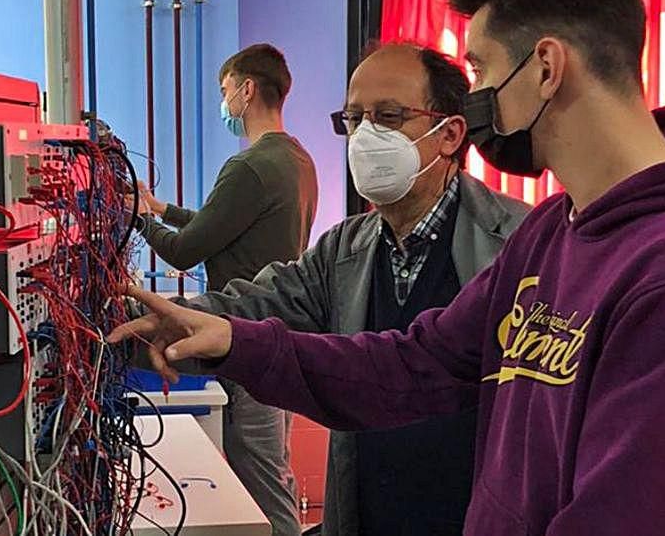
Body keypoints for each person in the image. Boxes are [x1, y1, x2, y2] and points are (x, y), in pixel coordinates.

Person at [114, 0, 665, 536]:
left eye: (479, 71)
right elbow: (412, 367)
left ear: (545, 67)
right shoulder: (555, 235)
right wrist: (233, 340)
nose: (476, 102)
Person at [149, 42, 528, 535]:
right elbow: (259, 302)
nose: (366, 136)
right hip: (368, 510)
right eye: (354, 119)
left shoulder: (519, 246)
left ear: (450, 133)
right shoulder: (345, 249)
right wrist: (165, 321)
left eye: (388, 117)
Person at [134, 43, 317, 536]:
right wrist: (160, 211)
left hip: (245, 339)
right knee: (272, 466)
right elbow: (224, 226)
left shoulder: (248, 167)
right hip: (281, 338)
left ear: (246, 89)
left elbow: (184, 252)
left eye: (224, 91)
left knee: (260, 483)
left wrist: (134, 218)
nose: (224, 102)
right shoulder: (296, 160)